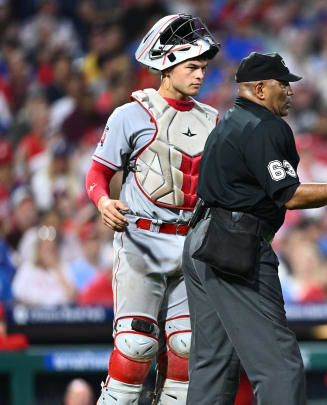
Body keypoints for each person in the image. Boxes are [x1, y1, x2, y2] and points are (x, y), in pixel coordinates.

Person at [182, 51, 327, 404]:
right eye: (282, 84)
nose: (289, 91)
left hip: (202, 242)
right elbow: (290, 195)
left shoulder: (229, 122)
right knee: (280, 365)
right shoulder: (266, 127)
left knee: (213, 364)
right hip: (234, 244)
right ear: (259, 89)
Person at [84, 14, 220, 405]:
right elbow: (97, 171)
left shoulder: (212, 119)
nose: (199, 76)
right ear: (166, 64)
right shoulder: (131, 114)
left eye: (202, 68)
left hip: (192, 246)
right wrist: (103, 200)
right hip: (142, 239)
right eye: (191, 67)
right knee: (135, 346)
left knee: (187, 346)